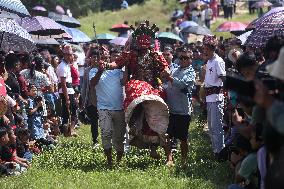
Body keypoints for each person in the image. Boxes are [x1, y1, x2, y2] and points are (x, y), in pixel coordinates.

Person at [106, 21, 173, 165]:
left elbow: (165, 69)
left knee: (157, 120)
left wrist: (165, 72)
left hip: (153, 90)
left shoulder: (156, 55)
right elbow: (116, 63)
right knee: (140, 120)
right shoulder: (130, 55)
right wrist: (105, 65)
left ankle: (169, 157)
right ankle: (138, 133)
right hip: (136, 91)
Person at [89, 50, 126, 166]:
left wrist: (127, 66)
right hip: (103, 108)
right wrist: (100, 71)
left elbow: (124, 82)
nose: (104, 59)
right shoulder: (94, 70)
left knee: (119, 137)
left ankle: (118, 161)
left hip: (119, 108)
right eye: (102, 57)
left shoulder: (118, 71)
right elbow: (92, 83)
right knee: (106, 133)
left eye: (105, 57)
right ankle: (109, 161)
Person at [164, 47, 196, 165]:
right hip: (170, 109)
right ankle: (169, 159)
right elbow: (167, 85)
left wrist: (169, 78)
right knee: (166, 135)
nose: (182, 60)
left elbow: (182, 84)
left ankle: (183, 160)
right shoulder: (175, 70)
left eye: (185, 58)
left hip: (183, 111)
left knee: (183, 138)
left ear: (190, 60)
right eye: (181, 57)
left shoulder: (191, 72)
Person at [203, 35, 226, 157]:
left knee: (217, 127)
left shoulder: (218, 61)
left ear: (212, 48)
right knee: (211, 127)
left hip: (216, 98)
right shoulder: (209, 61)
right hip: (209, 98)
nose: (204, 51)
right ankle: (215, 150)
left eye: (206, 48)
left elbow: (223, 79)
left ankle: (220, 152)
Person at [56, 45, 77, 137]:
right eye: (68, 55)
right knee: (66, 112)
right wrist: (67, 98)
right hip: (66, 91)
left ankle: (70, 130)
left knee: (73, 110)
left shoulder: (67, 65)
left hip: (70, 89)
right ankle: (66, 132)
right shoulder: (62, 67)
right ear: (64, 55)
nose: (70, 56)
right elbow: (63, 84)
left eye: (71, 55)